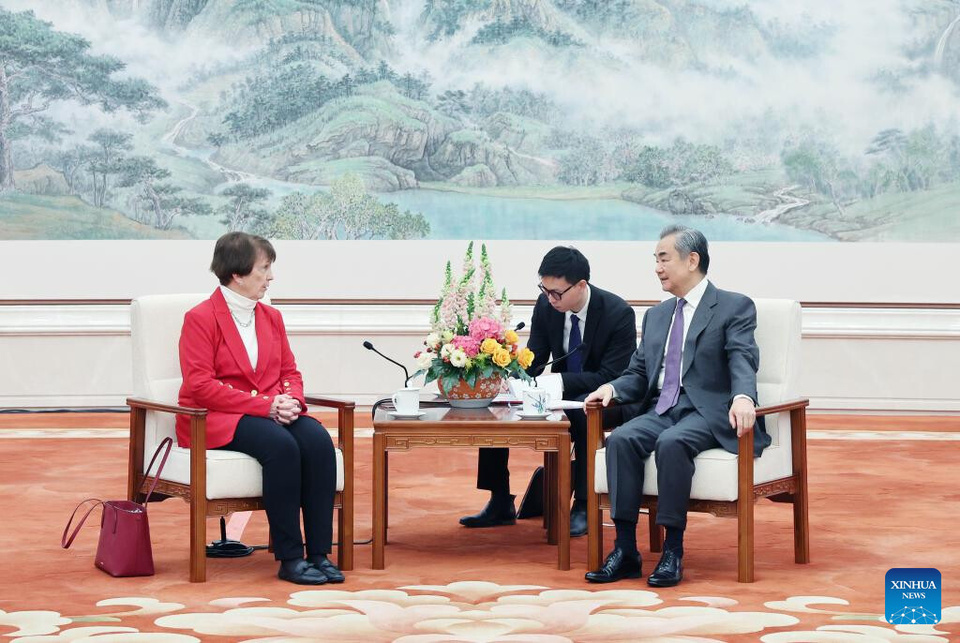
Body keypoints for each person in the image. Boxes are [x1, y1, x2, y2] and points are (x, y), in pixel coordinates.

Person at [584, 225, 768, 587]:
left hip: (708, 410)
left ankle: (673, 551)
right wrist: (611, 387)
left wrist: (744, 397)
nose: (657, 267)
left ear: (692, 260)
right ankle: (625, 551)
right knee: (620, 439)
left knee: (673, 444)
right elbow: (638, 372)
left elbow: (742, 357)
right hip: (662, 407)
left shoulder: (733, 306)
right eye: (655, 260)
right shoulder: (657, 315)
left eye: (663, 258)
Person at [177, 232, 343, 586]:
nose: (271, 277)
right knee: (280, 446)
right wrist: (266, 406)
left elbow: (289, 372)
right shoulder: (200, 318)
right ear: (237, 273)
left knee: (317, 440)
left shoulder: (271, 317)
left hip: (267, 410)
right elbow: (200, 386)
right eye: (264, 269)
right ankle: (290, 556)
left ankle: (319, 553)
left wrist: (292, 402)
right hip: (215, 418)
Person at [460, 246, 638, 536]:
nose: (550, 298)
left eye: (557, 293)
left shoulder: (617, 313)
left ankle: (583, 505)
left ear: (581, 285)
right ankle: (500, 500)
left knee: (582, 411)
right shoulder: (546, 306)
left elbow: (613, 375)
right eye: (545, 290)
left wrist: (558, 383)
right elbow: (537, 357)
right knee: (499, 404)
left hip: (610, 397)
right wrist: (508, 379)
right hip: (563, 393)